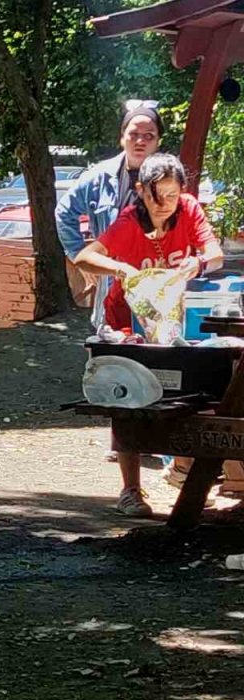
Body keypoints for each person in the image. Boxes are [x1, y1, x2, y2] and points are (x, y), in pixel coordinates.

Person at [74, 153, 224, 517]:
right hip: (126, 318)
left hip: (169, 319)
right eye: (158, 196)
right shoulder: (129, 222)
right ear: (141, 191)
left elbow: (216, 254)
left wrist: (199, 262)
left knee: (187, 391)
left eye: (172, 195)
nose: (165, 205)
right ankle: (130, 490)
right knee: (129, 399)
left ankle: (185, 472)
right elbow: (84, 257)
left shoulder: (188, 211)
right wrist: (121, 266)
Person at [57, 101, 165, 330]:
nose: (140, 141)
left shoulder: (169, 177)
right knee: (108, 357)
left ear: (158, 142)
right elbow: (64, 212)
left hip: (158, 290)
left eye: (149, 135)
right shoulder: (99, 177)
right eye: (133, 134)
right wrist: (82, 258)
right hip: (112, 286)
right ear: (122, 137)